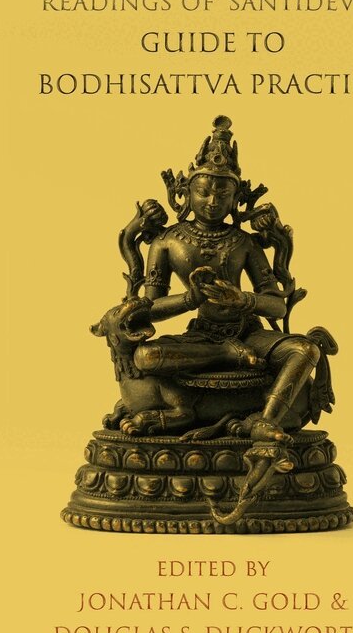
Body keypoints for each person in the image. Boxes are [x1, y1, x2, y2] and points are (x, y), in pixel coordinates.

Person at [132, 116, 322, 443]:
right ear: (185, 194)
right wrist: (190, 300)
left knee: (305, 349)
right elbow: (147, 309)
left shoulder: (243, 242)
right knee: (145, 356)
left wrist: (243, 300)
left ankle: (265, 421)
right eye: (203, 192)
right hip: (201, 338)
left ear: (236, 200)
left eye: (223, 194)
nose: (213, 201)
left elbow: (276, 306)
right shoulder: (166, 241)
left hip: (248, 334)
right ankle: (225, 353)